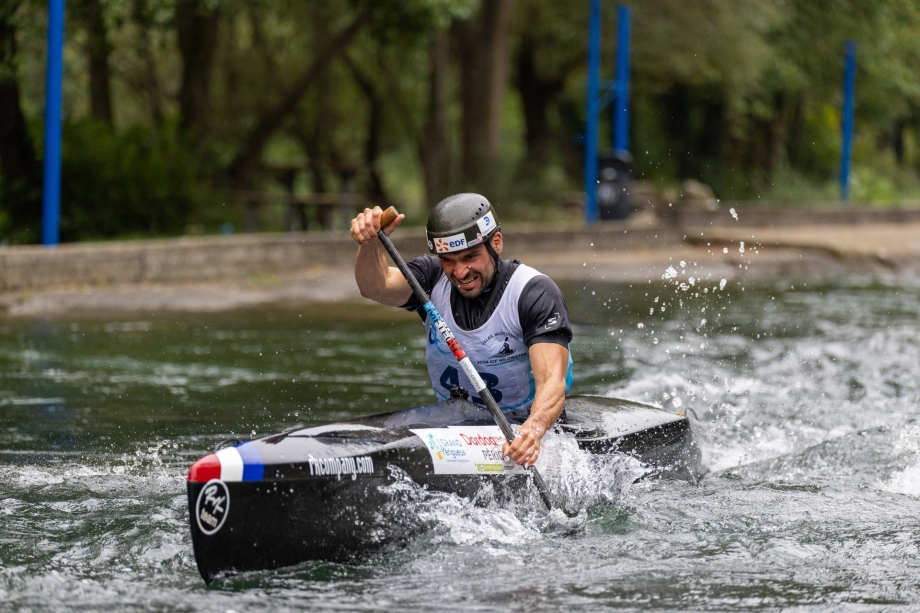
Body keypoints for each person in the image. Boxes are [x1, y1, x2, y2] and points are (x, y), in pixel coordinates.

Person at [350, 193, 573, 468]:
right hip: (453, 421)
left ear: (496, 243)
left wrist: (533, 430)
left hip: (518, 428)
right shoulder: (430, 280)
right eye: (449, 260)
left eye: (470, 257)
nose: (460, 272)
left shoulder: (533, 292)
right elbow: (377, 287)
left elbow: (553, 380)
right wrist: (371, 243)